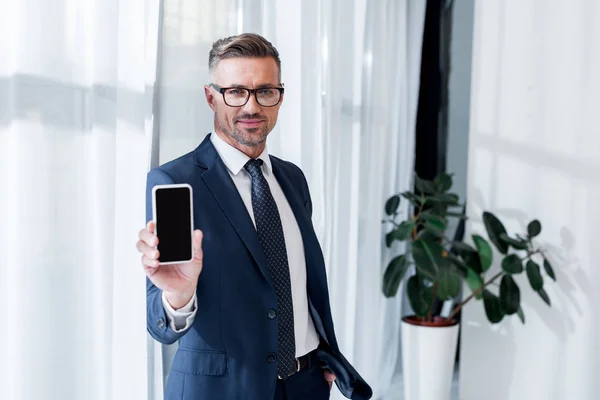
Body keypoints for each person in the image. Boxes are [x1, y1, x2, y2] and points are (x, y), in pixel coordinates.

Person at [136, 33, 372, 400]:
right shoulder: (176, 182)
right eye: (235, 92)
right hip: (222, 391)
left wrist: (319, 351)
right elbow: (160, 323)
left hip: (304, 385)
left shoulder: (292, 178)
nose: (251, 107)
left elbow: (299, 283)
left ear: (280, 97)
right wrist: (179, 297)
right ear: (211, 96)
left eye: (265, 91)